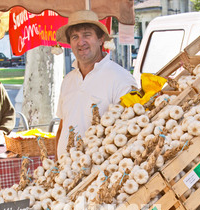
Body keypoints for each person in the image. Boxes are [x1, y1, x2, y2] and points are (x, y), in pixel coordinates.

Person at [55, 10, 138, 160]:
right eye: (75, 37)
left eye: (87, 35)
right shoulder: (68, 80)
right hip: (65, 173)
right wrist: (57, 161)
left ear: (100, 39)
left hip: (98, 174)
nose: (81, 42)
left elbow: (131, 133)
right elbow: (62, 127)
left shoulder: (120, 78)